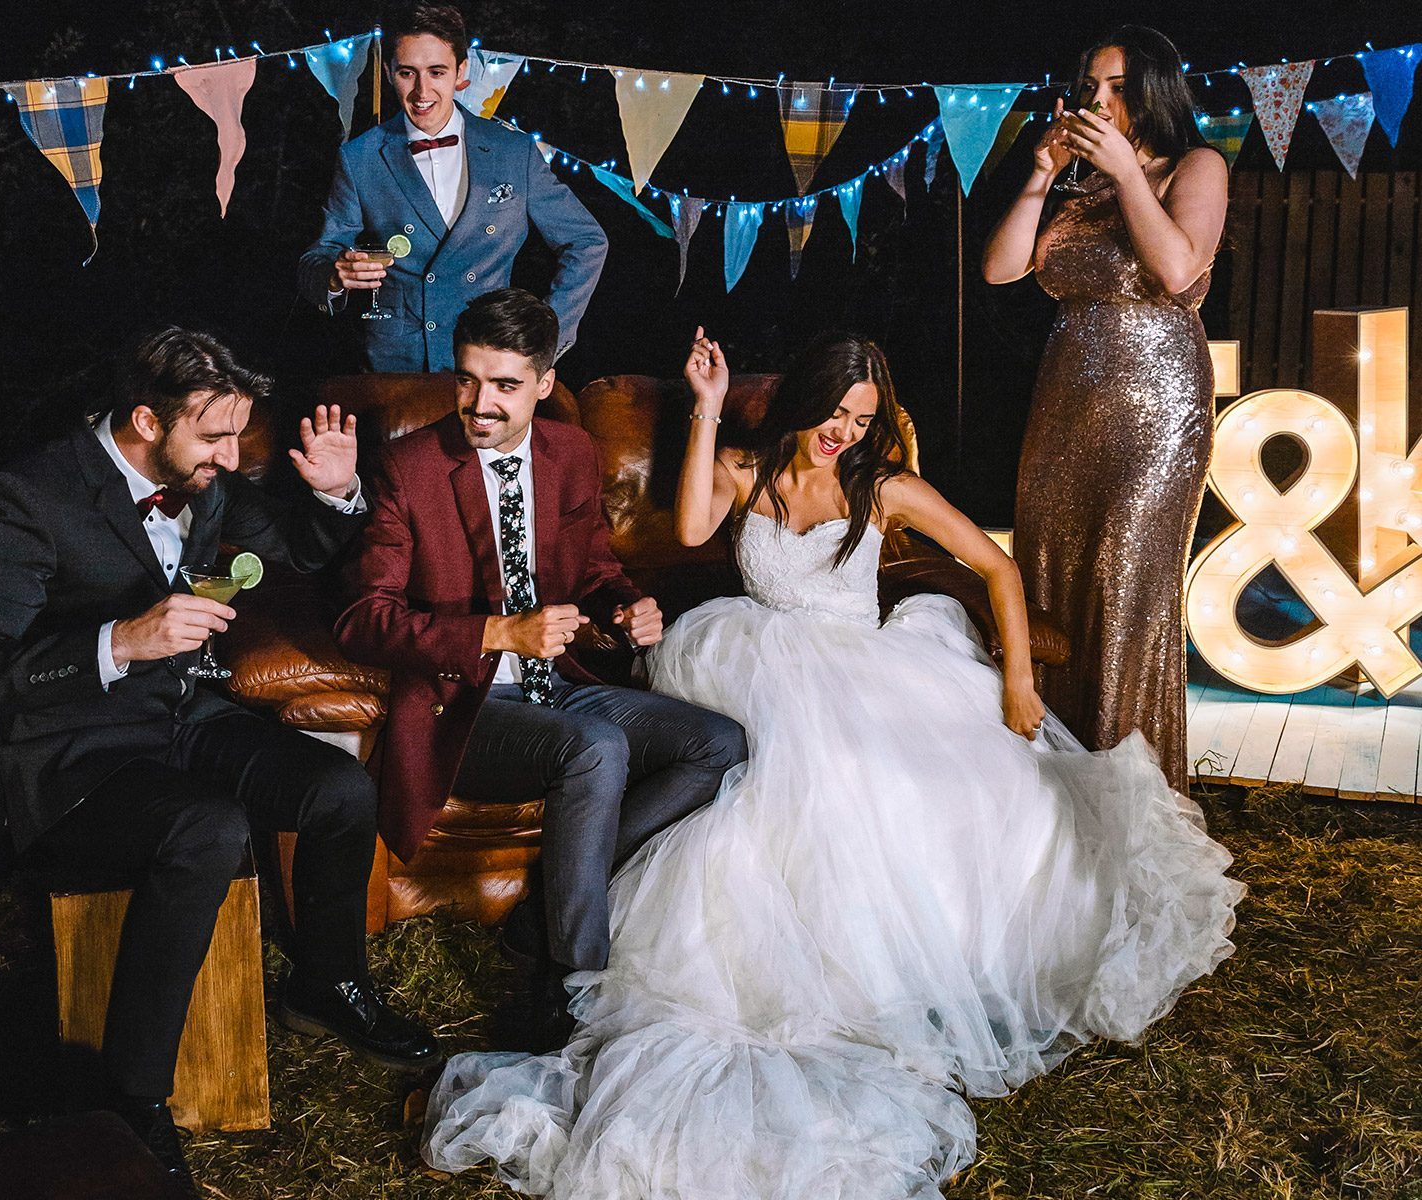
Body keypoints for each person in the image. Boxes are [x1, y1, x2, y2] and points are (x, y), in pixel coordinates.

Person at [422, 329, 1243, 1199]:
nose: (843, 432)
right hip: (753, 660)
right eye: (833, 413)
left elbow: (997, 568)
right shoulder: (750, 469)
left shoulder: (883, 486)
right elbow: (696, 521)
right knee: (772, 781)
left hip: (868, 667)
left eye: (862, 418)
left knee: (902, 783)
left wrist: (1019, 683)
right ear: (803, 402)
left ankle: (911, 966)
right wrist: (705, 408)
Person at [0, 328, 438, 1197]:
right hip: (75, 755)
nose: (232, 456)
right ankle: (131, 1099)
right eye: (213, 438)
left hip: (185, 720)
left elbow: (299, 550)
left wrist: (337, 494)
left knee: (336, 788)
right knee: (207, 830)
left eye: (238, 435)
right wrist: (121, 641)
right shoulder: (31, 494)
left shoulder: (205, 481)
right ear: (144, 419)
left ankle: (325, 982)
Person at [334, 289, 747, 1044]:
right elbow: (365, 620)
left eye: (504, 385)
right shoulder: (408, 467)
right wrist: (496, 632)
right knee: (597, 747)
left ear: (545, 382)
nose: (479, 403)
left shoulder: (570, 452)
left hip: (560, 691)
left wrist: (627, 607)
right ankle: (567, 985)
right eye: (466, 379)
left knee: (720, 746)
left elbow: (594, 566)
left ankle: (538, 915)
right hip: (464, 709)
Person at [982, 26, 1228, 792]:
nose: (1097, 99)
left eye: (1117, 86)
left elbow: (1178, 270)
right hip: (1065, 406)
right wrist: (1040, 176)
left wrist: (1126, 174)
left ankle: (1130, 798)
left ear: (1156, 89)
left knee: (1122, 591)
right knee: (1050, 582)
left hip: (1155, 411)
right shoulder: (1079, 186)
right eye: (1091, 84)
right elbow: (999, 271)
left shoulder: (1197, 165)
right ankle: (1050, 785)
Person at [297, 3, 607, 373]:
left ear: (462, 72)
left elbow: (587, 242)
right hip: (397, 369)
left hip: (489, 364)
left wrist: (543, 340)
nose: (421, 91)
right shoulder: (359, 157)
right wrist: (335, 274)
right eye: (407, 73)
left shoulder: (514, 153)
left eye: (437, 72)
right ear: (388, 72)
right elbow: (316, 259)